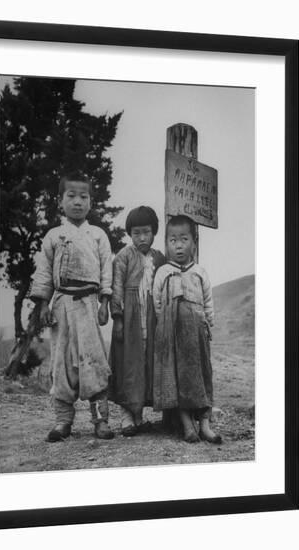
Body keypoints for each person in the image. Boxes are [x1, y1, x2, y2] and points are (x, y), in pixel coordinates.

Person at [29, 172, 115, 442]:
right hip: (62, 306)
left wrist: (105, 301)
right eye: (71, 196)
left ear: (91, 201)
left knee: (94, 361)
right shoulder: (54, 236)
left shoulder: (98, 235)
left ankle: (100, 420)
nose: (78, 202)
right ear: (60, 201)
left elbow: (106, 271)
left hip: (89, 304)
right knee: (61, 362)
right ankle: (63, 421)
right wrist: (43, 304)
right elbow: (43, 273)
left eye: (84, 196)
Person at [153, 215, 221, 444]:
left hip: (197, 332)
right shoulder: (163, 272)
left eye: (184, 239)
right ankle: (187, 425)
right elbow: (157, 302)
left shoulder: (200, 272)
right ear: (166, 243)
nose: (179, 245)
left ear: (194, 242)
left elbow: (208, 301)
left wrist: (208, 323)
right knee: (177, 377)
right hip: (172, 334)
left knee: (201, 375)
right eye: (173, 240)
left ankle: (205, 424)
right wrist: (164, 326)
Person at [109, 206, 165, 436]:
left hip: (151, 320)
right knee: (127, 365)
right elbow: (116, 289)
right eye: (136, 233)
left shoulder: (159, 258)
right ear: (130, 234)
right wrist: (118, 318)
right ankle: (126, 417)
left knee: (146, 365)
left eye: (146, 232)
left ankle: (139, 416)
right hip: (130, 320)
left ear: (154, 232)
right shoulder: (123, 257)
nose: (142, 238)